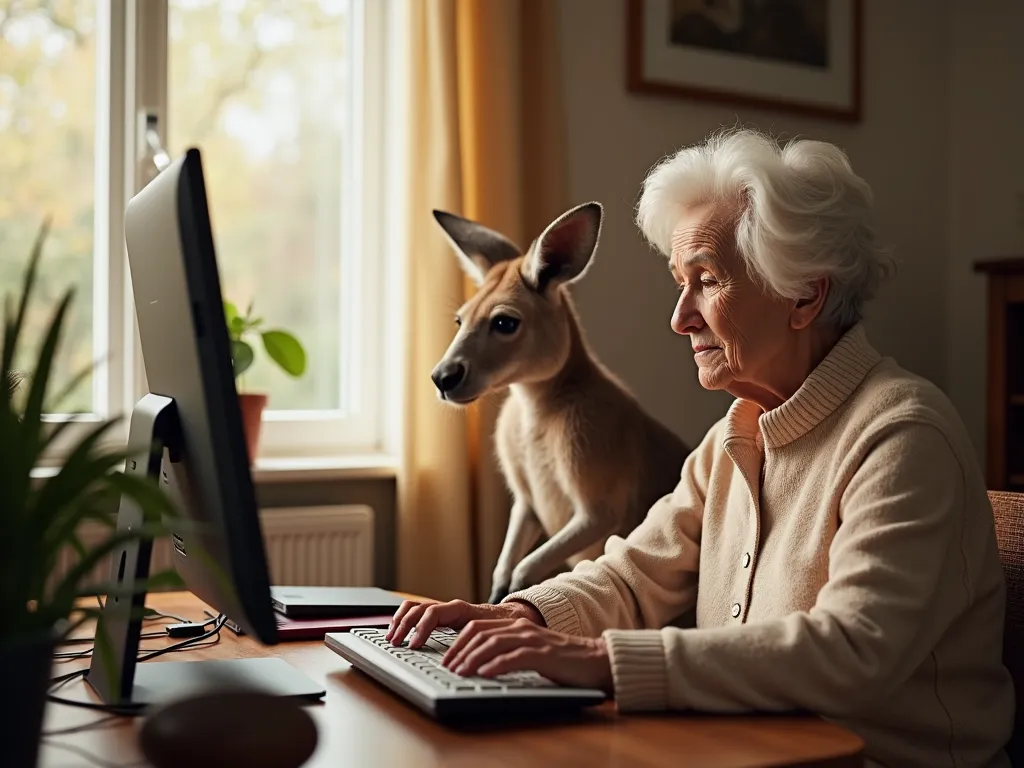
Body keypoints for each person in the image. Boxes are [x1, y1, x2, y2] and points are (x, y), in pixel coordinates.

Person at [387, 127, 1015, 767]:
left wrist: (602, 660)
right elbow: (633, 576)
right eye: (678, 283)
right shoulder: (735, 436)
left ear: (805, 294)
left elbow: (852, 650)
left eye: (707, 281)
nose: (679, 317)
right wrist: (524, 615)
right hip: (744, 753)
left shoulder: (903, 435)